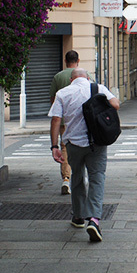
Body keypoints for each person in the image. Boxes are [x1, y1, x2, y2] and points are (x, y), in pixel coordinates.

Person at [49, 68, 119, 242]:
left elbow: (56, 119)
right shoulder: (98, 88)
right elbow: (116, 104)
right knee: (97, 178)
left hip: (73, 144)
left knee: (77, 177)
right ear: (87, 77)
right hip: (97, 142)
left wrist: (54, 146)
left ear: (72, 79)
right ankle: (94, 220)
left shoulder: (63, 93)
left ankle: (78, 216)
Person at [48, 50, 91, 195]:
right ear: (78, 60)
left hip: (63, 119)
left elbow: (53, 100)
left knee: (65, 146)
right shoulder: (85, 75)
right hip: (81, 118)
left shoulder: (58, 77)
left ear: (65, 61)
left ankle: (66, 178)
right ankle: (82, 176)